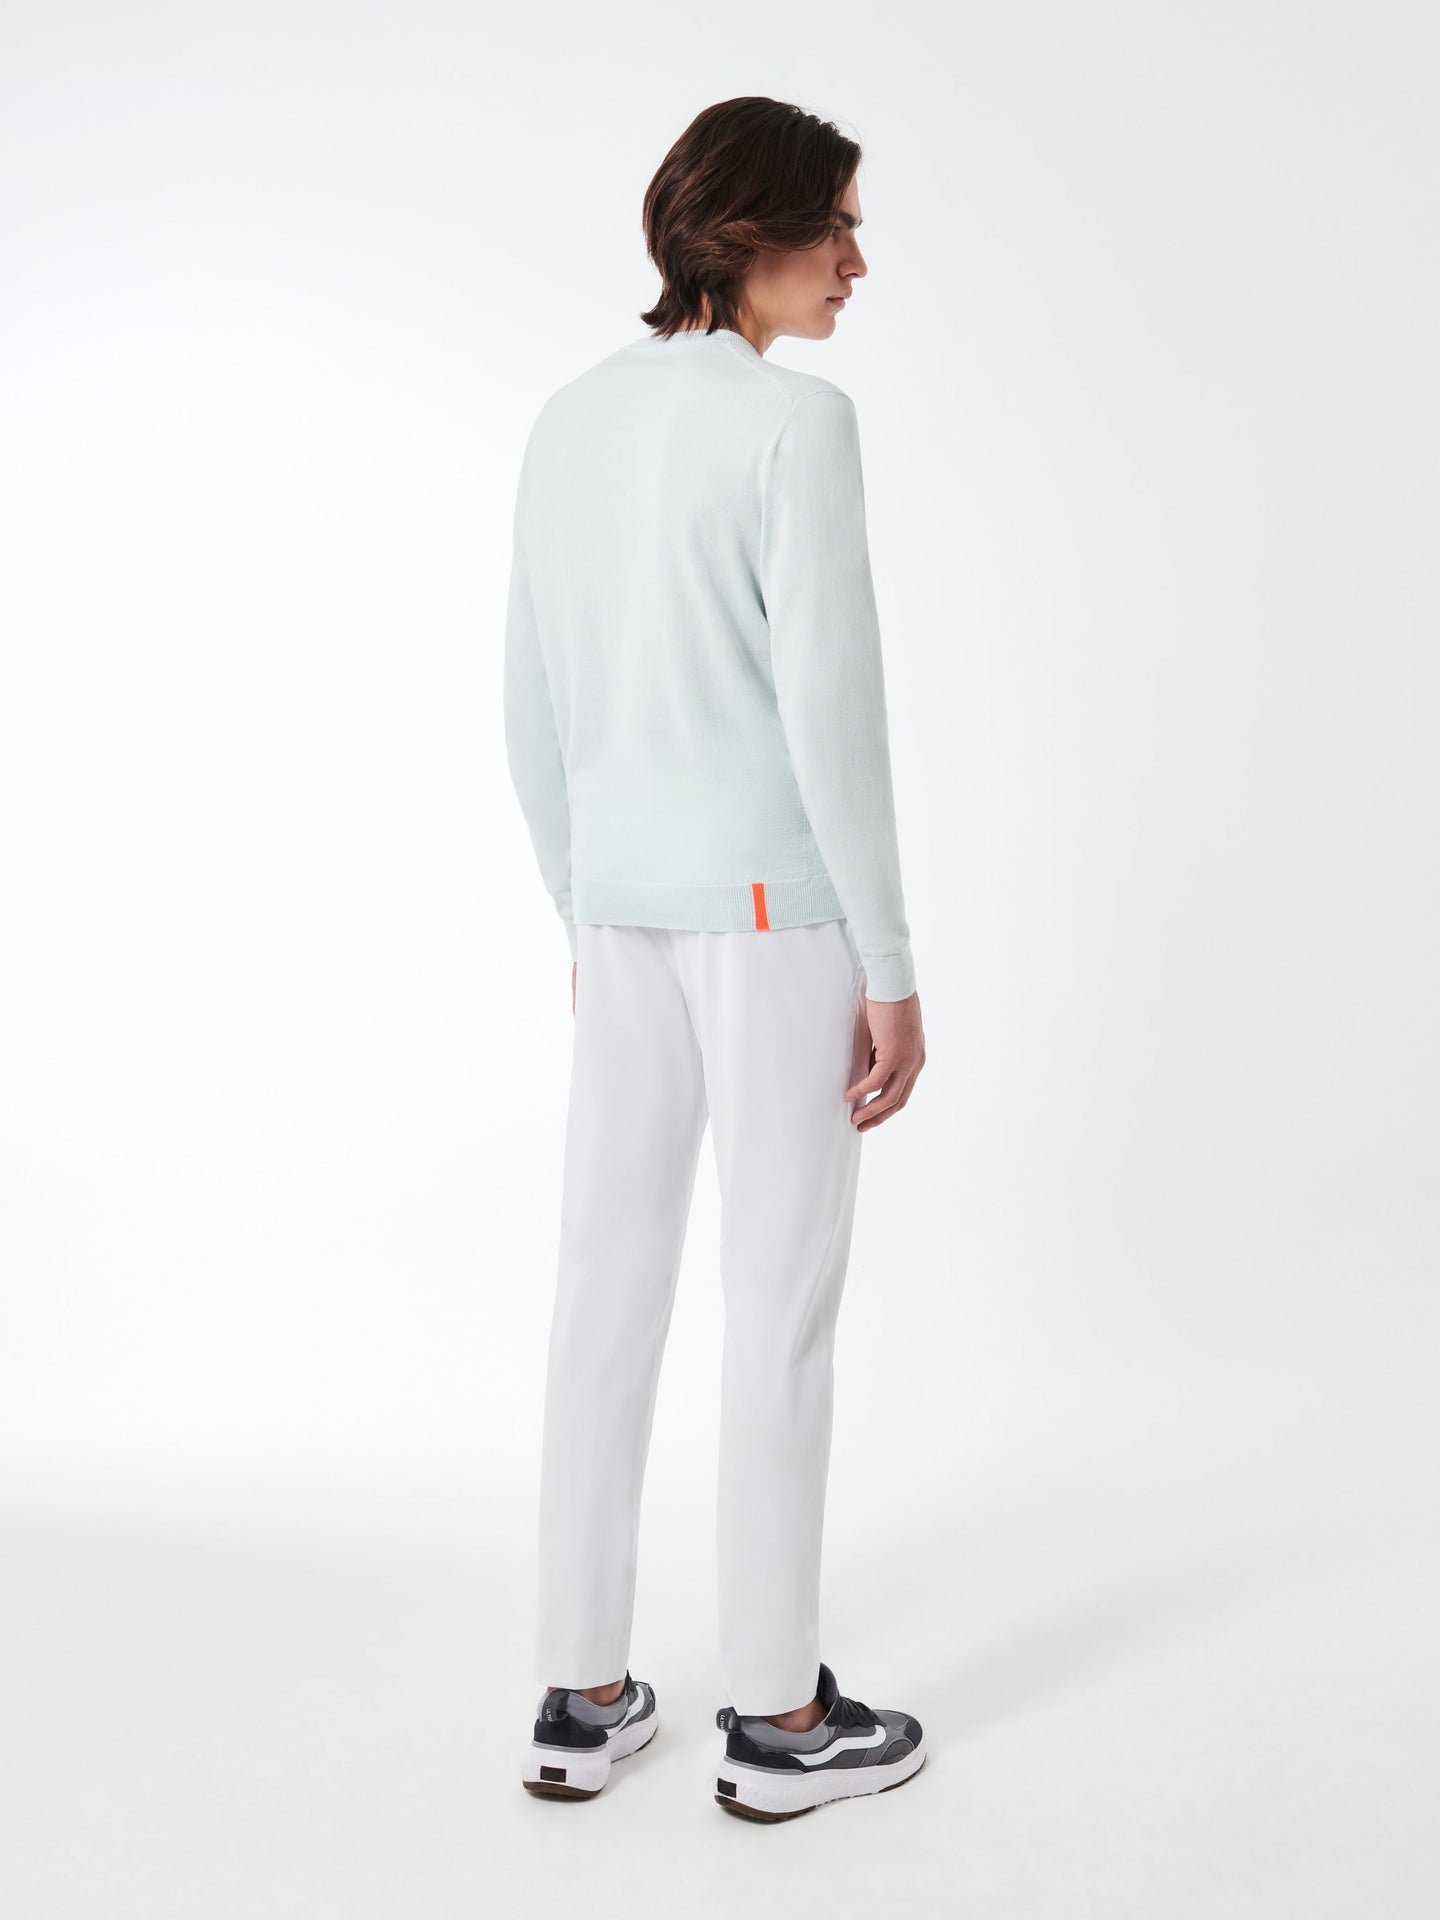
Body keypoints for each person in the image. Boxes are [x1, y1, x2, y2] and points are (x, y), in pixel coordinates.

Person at [505, 96, 928, 1821]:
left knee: (603, 1290)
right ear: (749, 230)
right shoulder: (798, 426)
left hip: (622, 917)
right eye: (837, 225)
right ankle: (778, 1716)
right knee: (779, 1307)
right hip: (774, 922)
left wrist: (584, 909)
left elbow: (529, 706)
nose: (858, 261)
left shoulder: (567, 422)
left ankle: (583, 1691)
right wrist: (889, 963)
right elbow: (835, 718)